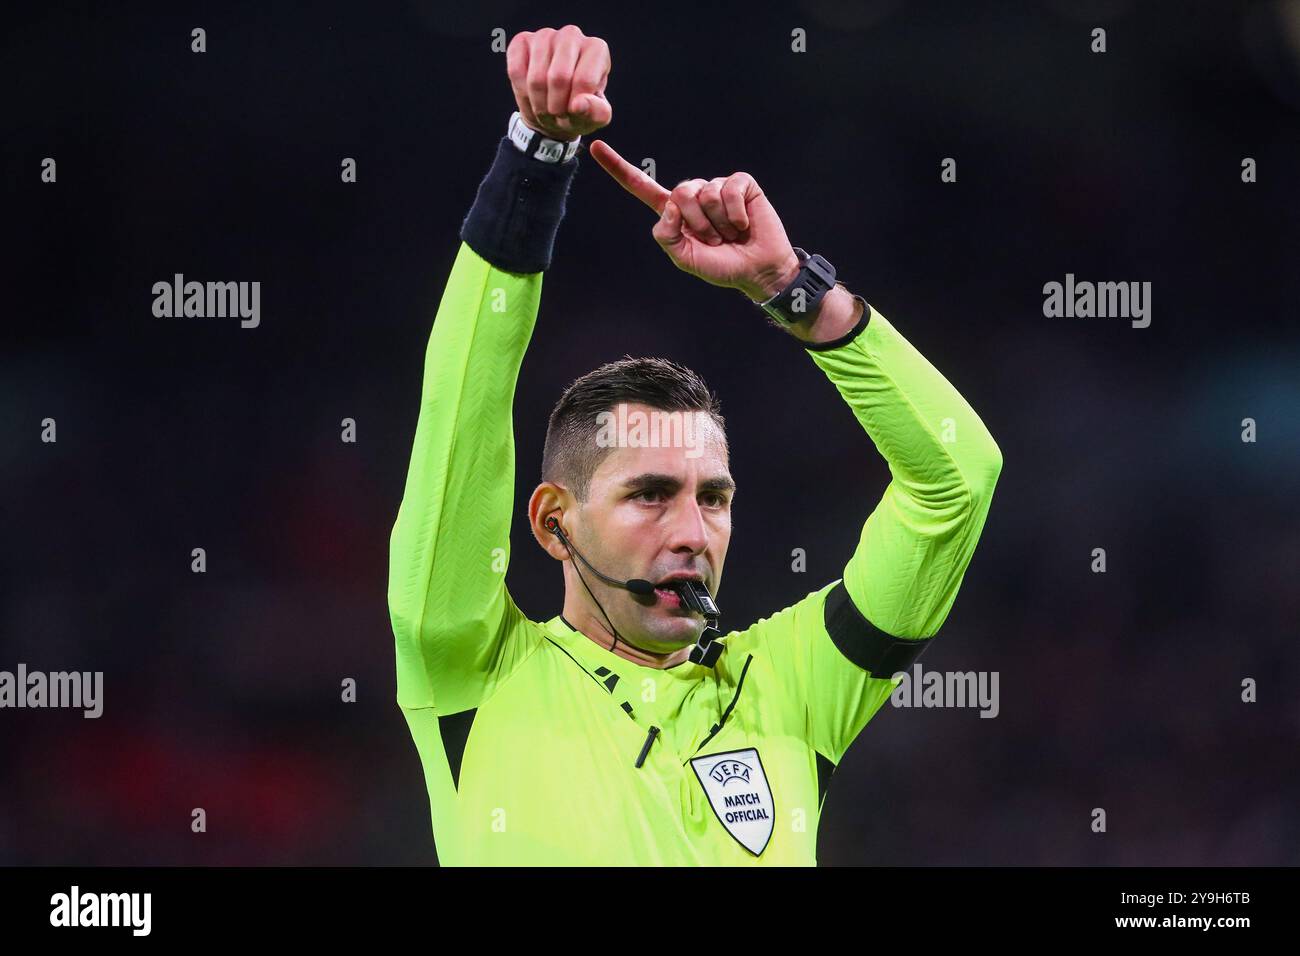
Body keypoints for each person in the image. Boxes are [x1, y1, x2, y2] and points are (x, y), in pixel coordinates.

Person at [388, 24, 1002, 865]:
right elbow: (462, 411)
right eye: (650, 494)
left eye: (713, 497)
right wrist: (535, 159)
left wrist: (794, 291)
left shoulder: (791, 688)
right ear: (553, 522)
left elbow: (959, 480)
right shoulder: (469, 670)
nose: (693, 531)